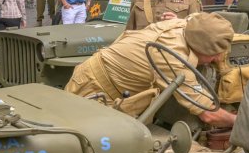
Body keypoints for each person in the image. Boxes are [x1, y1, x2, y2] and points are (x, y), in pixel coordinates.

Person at [66, 12, 237, 127]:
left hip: (108, 82)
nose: (217, 59)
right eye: (214, 55)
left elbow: (200, 17)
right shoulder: (173, 58)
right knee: (78, 142)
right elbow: (208, 114)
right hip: (95, 89)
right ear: (201, 49)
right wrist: (239, 122)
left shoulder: (189, 24)